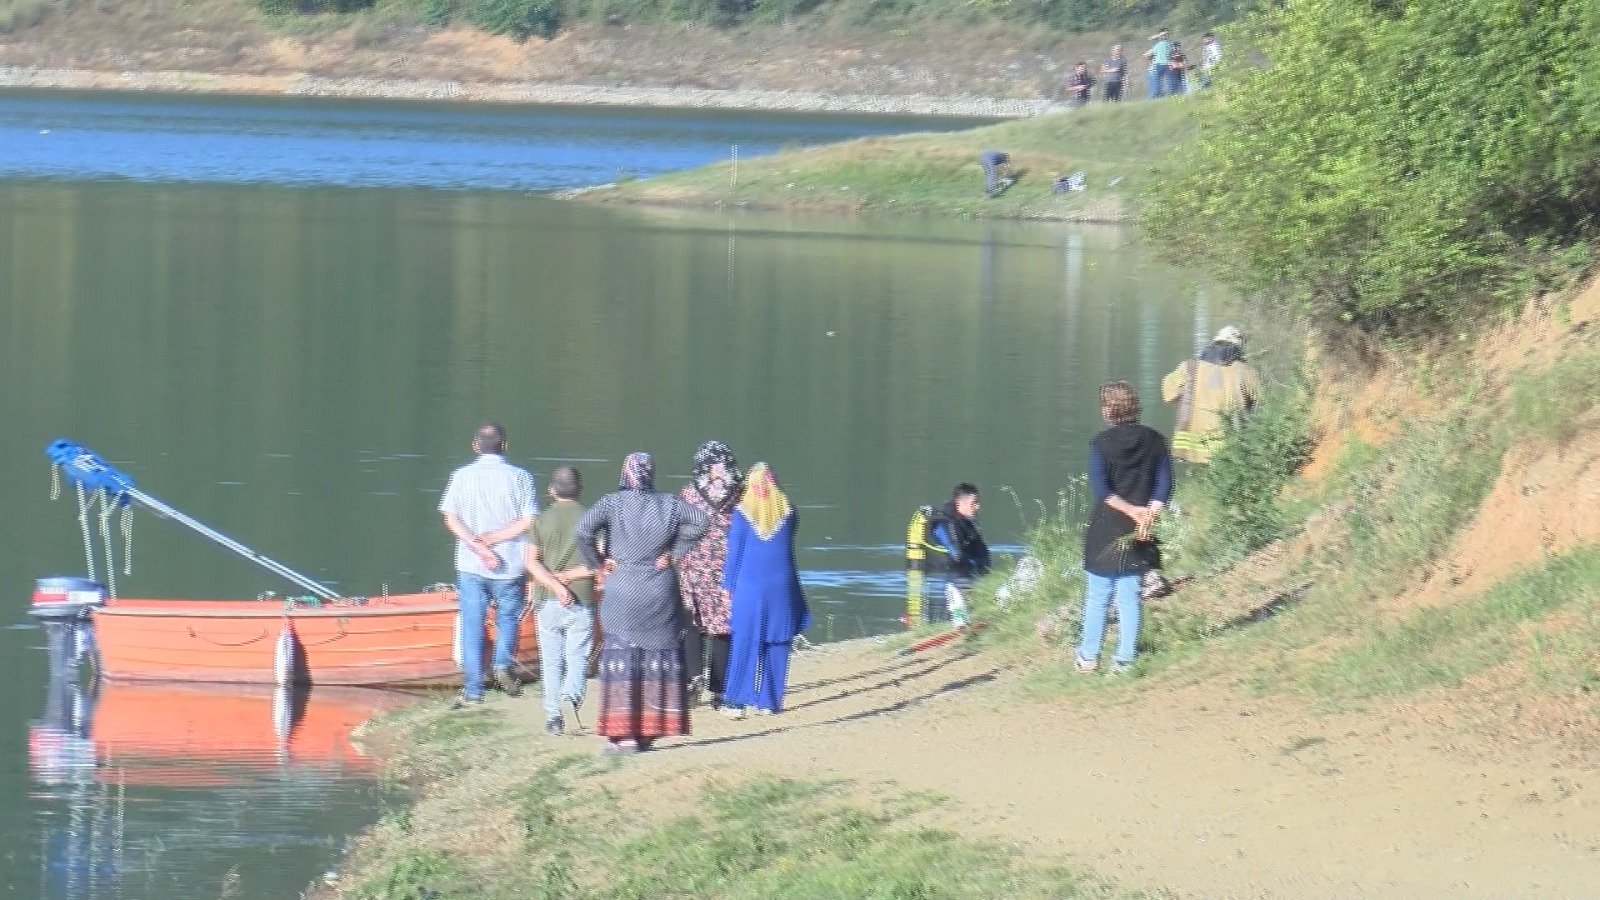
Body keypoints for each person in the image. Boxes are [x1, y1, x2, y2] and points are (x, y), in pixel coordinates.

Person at [575, 452, 707, 754]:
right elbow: (701, 521)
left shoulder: (612, 503)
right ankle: (648, 732)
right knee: (655, 663)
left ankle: (623, 737)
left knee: (622, 660)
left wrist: (597, 563)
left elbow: (582, 530)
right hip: (659, 591)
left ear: (625, 473)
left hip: (622, 587)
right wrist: (674, 552)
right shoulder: (670, 504)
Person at [1075, 382, 1172, 675]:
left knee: (1098, 595)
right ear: (1134, 406)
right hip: (1140, 528)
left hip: (1108, 525)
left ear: (1108, 410)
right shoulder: (1155, 440)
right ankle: (1124, 662)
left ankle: (1088, 657)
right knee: (1129, 596)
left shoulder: (1100, 443)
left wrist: (1130, 510)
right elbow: (1165, 483)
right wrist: (1148, 514)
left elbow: (1102, 489)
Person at [438, 421, 537, 707]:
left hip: (471, 564)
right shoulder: (522, 477)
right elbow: (529, 520)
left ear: (475, 446)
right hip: (510, 564)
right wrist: (494, 539)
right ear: (505, 446)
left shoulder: (460, 476)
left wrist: (477, 545)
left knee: (472, 623)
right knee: (507, 618)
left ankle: (473, 690)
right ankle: (503, 663)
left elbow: (451, 519)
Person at [721, 463, 809, 718]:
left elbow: (734, 555)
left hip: (750, 586)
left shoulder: (742, 513)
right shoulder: (789, 512)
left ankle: (736, 701)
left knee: (745, 640)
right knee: (778, 640)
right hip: (783, 586)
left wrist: (728, 587)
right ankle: (769, 701)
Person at [525, 465, 597, 736]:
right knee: (577, 656)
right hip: (582, 598)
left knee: (551, 660)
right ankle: (571, 696)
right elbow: (595, 564)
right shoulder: (590, 519)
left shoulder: (540, 521)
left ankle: (554, 717)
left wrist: (555, 584)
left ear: (551, 491)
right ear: (580, 490)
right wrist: (569, 577)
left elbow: (530, 562)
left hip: (548, 600)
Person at [676, 440, 744, 710]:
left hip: (694, 569)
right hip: (727, 570)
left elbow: (677, 527)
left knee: (693, 624)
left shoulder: (690, 493)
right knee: (723, 630)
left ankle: (693, 681)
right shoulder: (740, 493)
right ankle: (719, 690)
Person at [1161, 325, 1262, 463]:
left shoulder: (1189, 367)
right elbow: (1264, 405)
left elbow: (1168, 394)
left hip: (1191, 450)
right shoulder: (1246, 372)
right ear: (1239, 348)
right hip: (1230, 450)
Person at [929, 482, 990, 625]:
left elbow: (980, 553)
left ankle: (969, 618)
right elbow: (956, 556)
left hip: (972, 580)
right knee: (959, 612)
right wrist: (977, 564)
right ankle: (958, 619)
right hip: (954, 584)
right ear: (958, 503)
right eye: (974, 503)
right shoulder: (943, 525)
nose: (978, 507)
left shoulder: (968, 524)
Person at [1144, 29, 1172, 99]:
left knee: (1165, 82)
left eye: (1166, 34)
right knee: (1156, 82)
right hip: (1158, 64)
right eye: (1163, 34)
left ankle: (1161, 95)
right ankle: (1156, 96)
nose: (1165, 35)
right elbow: (1150, 39)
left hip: (1166, 64)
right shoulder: (1157, 44)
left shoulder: (1169, 43)